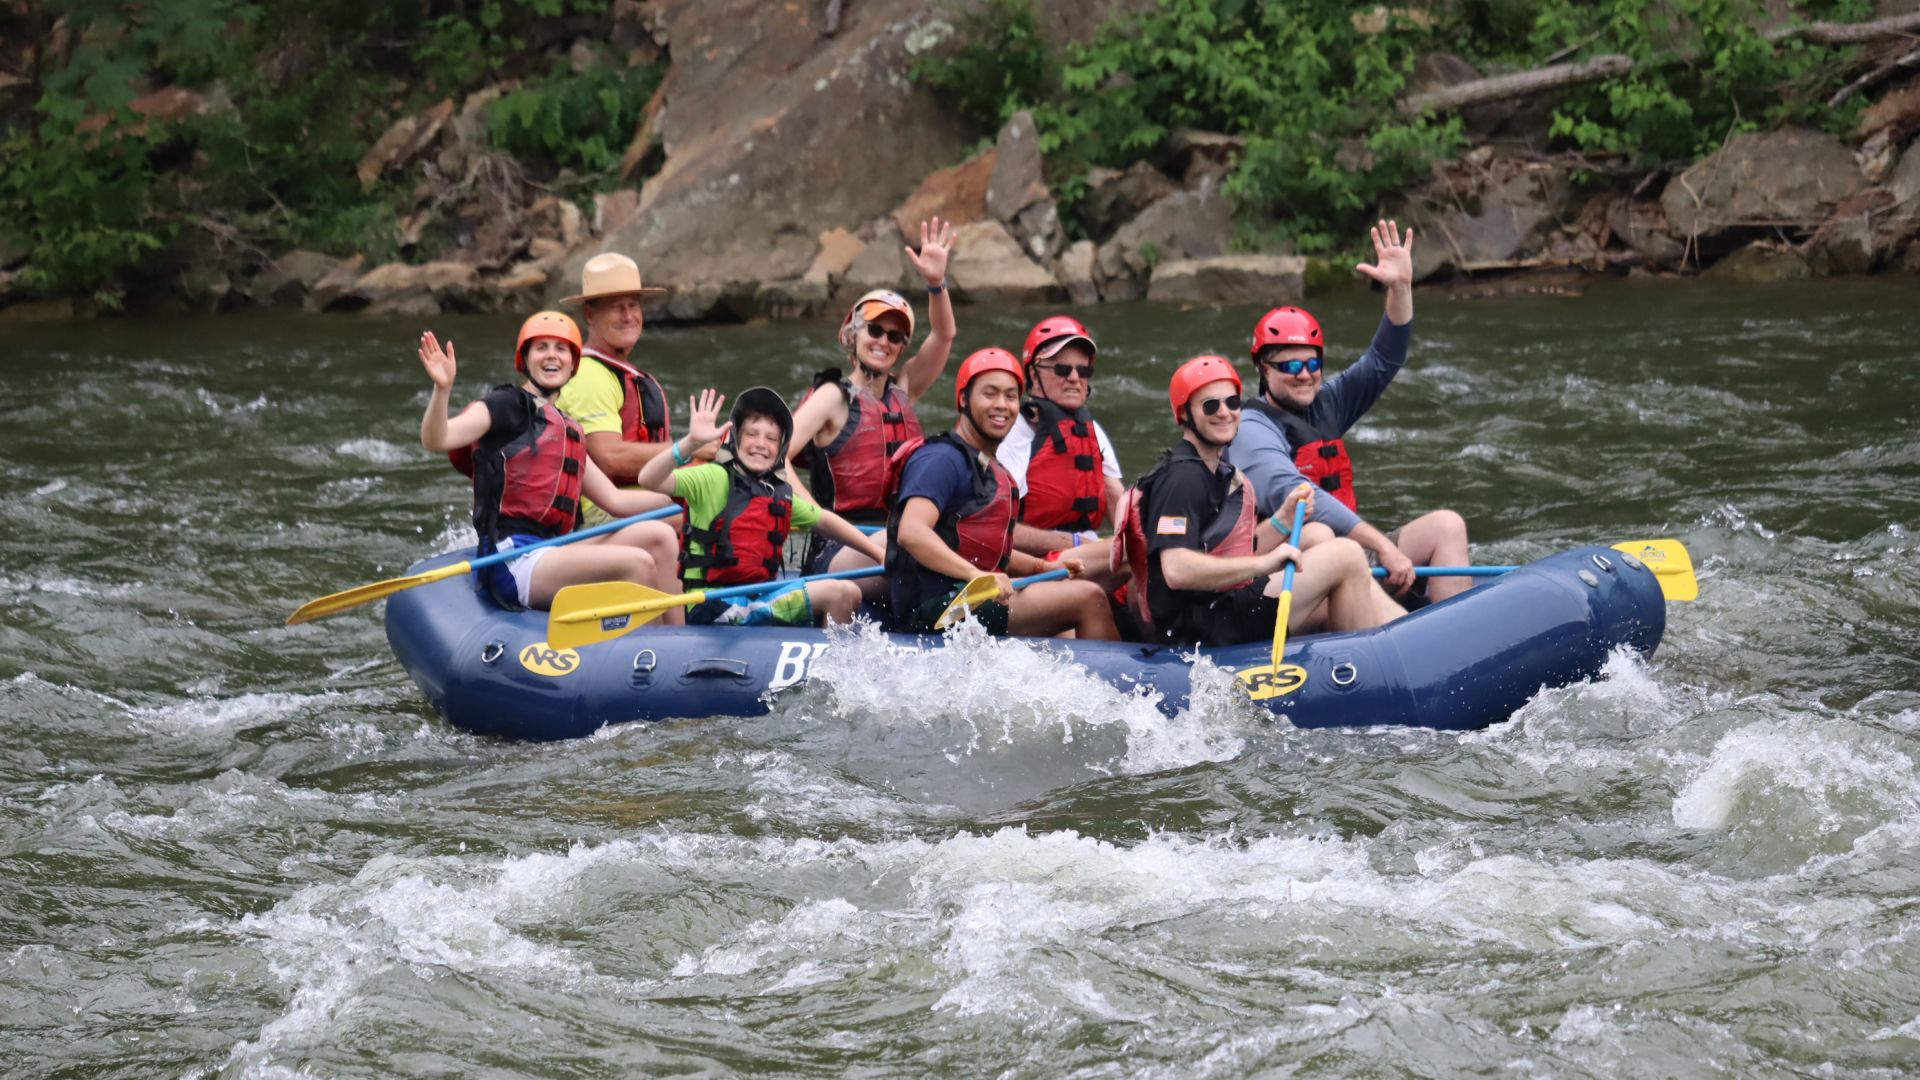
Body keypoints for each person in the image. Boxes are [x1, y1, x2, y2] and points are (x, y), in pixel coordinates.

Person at [1231, 219, 1472, 604]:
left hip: (1353, 554)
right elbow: (1300, 495)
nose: (1305, 376)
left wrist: (1400, 288)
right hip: (1297, 572)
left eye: (1312, 364)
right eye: (1291, 366)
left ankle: (1460, 637)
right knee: (1323, 536)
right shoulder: (1250, 428)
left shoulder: (1328, 402)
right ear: (1263, 369)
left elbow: (1385, 359)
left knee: (1447, 526)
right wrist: (1384, 546)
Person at [1114, 355, 1402, 647]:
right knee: (1347, 554)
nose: (1224, 413)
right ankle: (1371, 659)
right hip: (1203, 626)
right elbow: (1177, 569)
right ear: (1185, 414)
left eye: (1233, 402)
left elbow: (1226, 550)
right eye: (1210, 405)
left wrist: (1282, 520)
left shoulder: (1216, 470)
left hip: (1219, 605)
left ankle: (1395, 636)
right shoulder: (1182, 478)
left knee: (1317, 534)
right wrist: (1264, 564)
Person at [417, 311, 683, 620]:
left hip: (555, 550)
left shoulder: (569, 429)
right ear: (525, 359)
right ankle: (647, 653)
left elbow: (616, 500)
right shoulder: (505, 405)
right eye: (541, 347)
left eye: (561, 349)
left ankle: (678, 639)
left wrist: (686, 496)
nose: (551, 356)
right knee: (637, 562)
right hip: (512, 558)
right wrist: (442, 389)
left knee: (660, 536)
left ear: (573, 364)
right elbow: (438, 438)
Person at [885, 348, 1120, 640]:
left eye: (1010, 396)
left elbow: (991, 550)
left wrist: (1045, 566)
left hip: (967, 597)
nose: (1002, 405)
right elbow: (912, 532)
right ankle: (1114, 684)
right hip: (936, 610)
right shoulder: (942, 459)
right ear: (963, 399)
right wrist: (976, 576)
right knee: (1088, 596)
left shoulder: (990, 468)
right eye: (990, 394)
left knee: (1066, 619)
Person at [787, 218, 958, 587]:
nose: (884, 341)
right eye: (875, 330)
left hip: (902, 537)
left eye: (896, 336)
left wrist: (936, 284)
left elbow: (944, 335)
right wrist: (813, 514)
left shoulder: (905, 388)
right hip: (837, 550)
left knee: (933, 538)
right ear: (852, 335)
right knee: (911, 544)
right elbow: (776, 457)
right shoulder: (832, 397)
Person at [635, 387, 888, 627]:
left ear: (779, 449)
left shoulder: (777, 493)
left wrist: (877, 554)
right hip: (714, 605)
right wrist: (689, 443)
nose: (760, 444)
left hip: (756, 599)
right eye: (751, 434)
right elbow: (648, 478)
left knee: (847, 592)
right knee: (840, 592)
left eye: (771, 438)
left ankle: (827, 664)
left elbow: (824, 521)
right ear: (735, 440)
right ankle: (827, 667)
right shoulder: (711, 477)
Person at [996, 315, 1126, 586]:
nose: (1075, 378)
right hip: (1031, 566)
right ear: (1034, 373)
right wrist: (1072, 541)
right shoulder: (1010, 433)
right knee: (1132, 553)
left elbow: (1119, 506)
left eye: (1084, 370)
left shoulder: (1089, 430)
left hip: (1087, 556)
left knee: (1146, 558)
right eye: (1062, 369)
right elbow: (993, 530)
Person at [554, 252, 674, 526]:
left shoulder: (620, 371)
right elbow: (610, 458)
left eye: (633, 305)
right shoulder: (587, 374)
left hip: (638, 499)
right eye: (616, 307)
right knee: (714, 501)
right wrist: (690, 449)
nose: (628, 316)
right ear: (590, 314)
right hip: (596, 514)